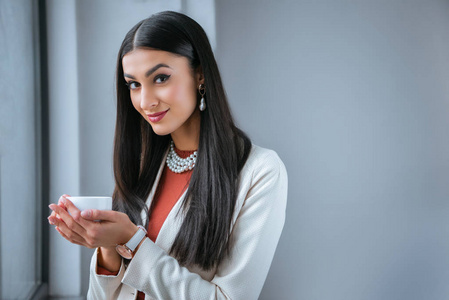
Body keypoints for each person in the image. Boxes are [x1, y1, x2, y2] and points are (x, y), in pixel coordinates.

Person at [48, 11, 288, 300]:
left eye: (160, 78)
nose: (145, 101)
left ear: (199, 74)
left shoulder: (259, 171)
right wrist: (108, 249)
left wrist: (132, 241)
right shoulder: (145, 165)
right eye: (134, 84)